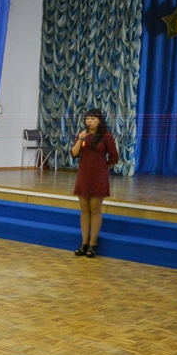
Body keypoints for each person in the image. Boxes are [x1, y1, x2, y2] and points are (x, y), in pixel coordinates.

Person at [72, 108, 119, 258]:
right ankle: (84, 243)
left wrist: (103, 168)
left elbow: (114, 157)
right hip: (83, 176)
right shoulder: (82, 135)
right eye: (87, 118)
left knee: (95, 209)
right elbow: (74, 153)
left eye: (92, 118)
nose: (89, 121)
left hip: (98, 177)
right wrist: (80, 140)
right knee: (84, 209)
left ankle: (93, 244)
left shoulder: (106, 136)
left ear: (99, 120)